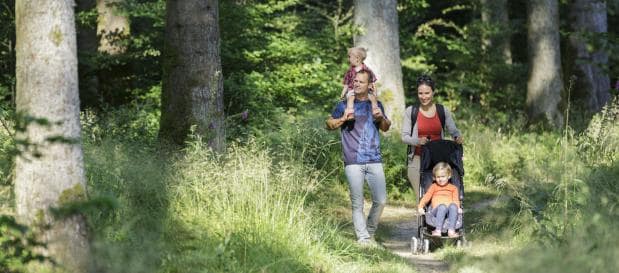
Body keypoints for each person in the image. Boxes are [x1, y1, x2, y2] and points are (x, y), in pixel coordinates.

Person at [327, 70, 391, 244]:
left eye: (361, 82)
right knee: (357, 203)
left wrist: (380, 117)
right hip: (352, 160)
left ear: (369, 85)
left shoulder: (376, 104)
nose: (356, 84)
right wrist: (342, 119)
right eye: (355, 81)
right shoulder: (344, 104)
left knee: (381, 200)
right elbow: (329, 124)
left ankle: (369, 231)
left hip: (374, 158)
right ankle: (363, 239)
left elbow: (385, 127)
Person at [401, 75, 463, 206]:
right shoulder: (411, 111)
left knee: (440, 194)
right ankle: (424, 222)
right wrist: (418, 141)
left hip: (438, 159)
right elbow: (404, 137)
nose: (424, 97)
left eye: (427, 93)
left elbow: (453, 130)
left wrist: (457, 137)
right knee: (422, 197)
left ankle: (440, 222)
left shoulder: (442, 111)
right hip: (417, 158)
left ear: (433, 92)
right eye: (420, 93)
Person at [417, 162, 463, 237]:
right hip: (436, 211)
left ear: (449, 176)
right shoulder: (434, 186)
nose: (440, 179)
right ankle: (438, 230)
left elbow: (455, 200)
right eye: (438, 177)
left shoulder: (453, 188)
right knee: (442, 207)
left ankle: (451, 231)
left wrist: (458, 208)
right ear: (434, 177)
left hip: (449, 212)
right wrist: (420, 207)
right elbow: (426, 197)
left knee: (453, 206)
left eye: (443, 176)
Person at [340, 47, 378, 120]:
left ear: (357, 58)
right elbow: (346, 84)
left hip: (366, 92)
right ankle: (350, 114)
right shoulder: (350, 71)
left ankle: (376, 114)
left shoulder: (367, 70)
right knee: (350, 98)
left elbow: (373, 82)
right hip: (353, 91)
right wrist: (343, 93)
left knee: (373, 99)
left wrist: (375, 93)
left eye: (349, 57)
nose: (348, 59)